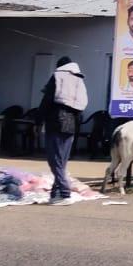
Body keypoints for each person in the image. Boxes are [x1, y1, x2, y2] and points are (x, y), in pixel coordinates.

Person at [38, 57, 87, 204]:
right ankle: (56, 194)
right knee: (61, 162)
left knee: (55, 161)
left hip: (56, 121)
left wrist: (37, 121)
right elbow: (81, 107)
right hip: (71, 124)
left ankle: (65, 193)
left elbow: (47, 101)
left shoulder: (58, 76)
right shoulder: (79, 79)